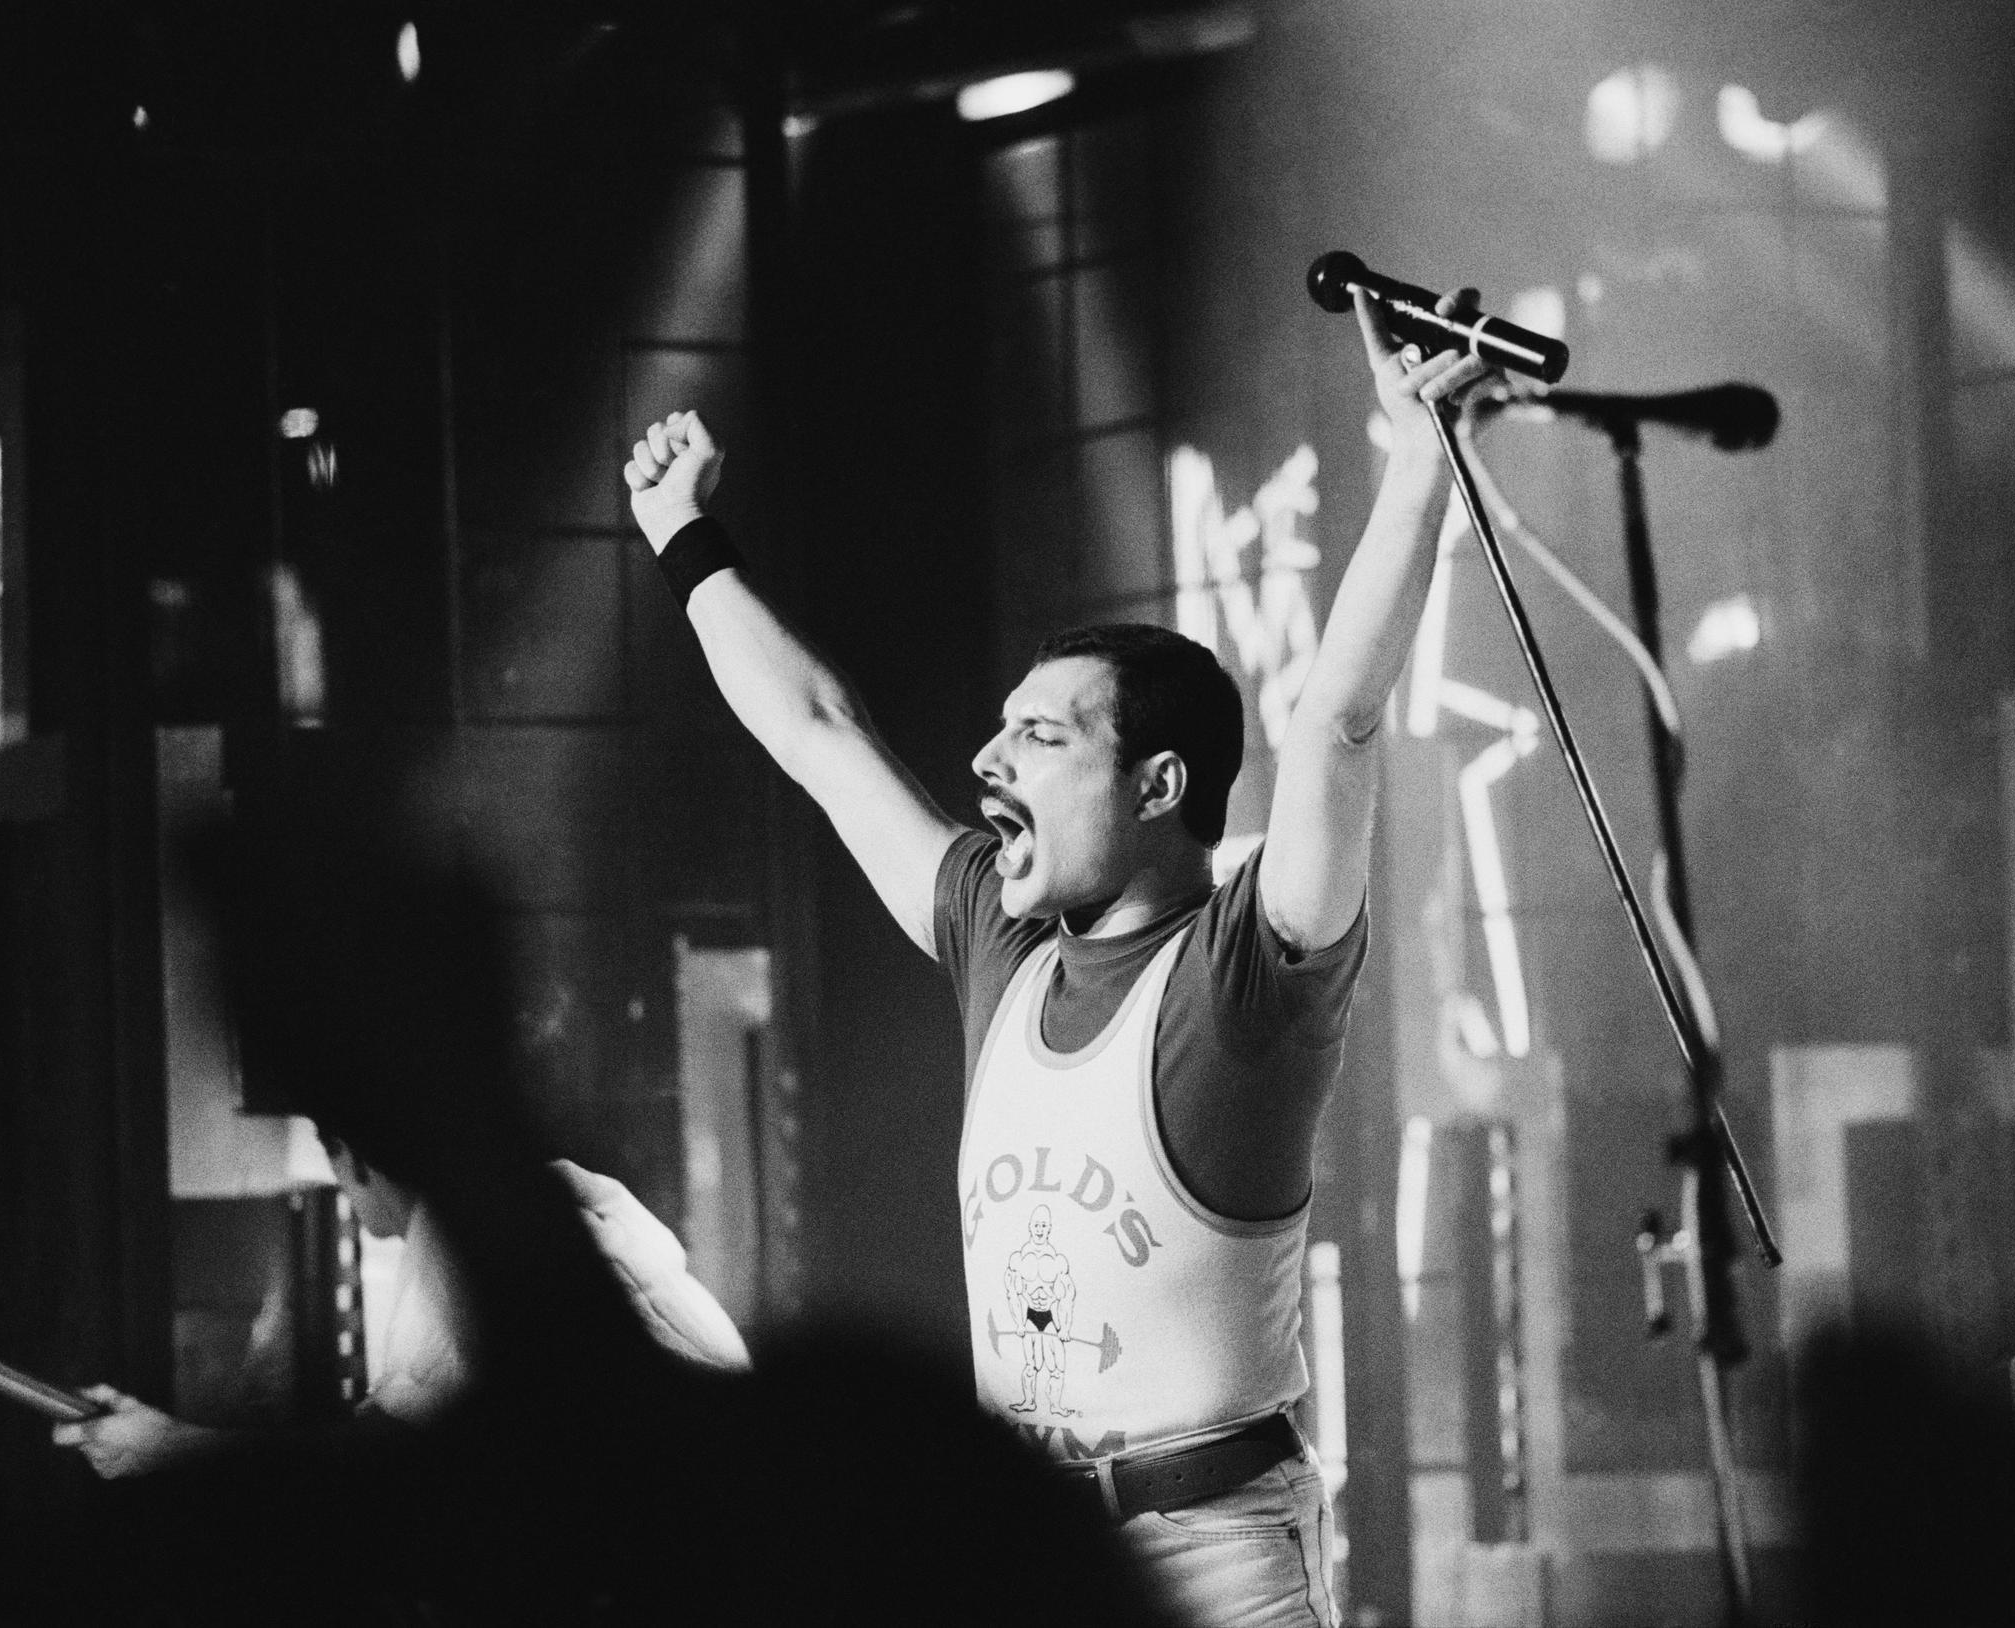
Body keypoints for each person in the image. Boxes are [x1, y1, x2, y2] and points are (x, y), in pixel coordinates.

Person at [624, 286, 1486, 1626]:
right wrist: (683, 535)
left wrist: (1421, 464)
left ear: (1156, 783)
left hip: (1217, 1566)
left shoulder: (1244, 978)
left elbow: (1340, 724)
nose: (984, 761)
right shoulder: (998, 940)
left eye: (1039, 737)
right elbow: (819, 732)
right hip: (1025, 1558)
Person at [53, 1133, 749, 1477]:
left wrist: (163, 1450)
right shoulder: (560, 1212)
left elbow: (369, 1477)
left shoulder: (455, 1236)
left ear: (350, 1159)